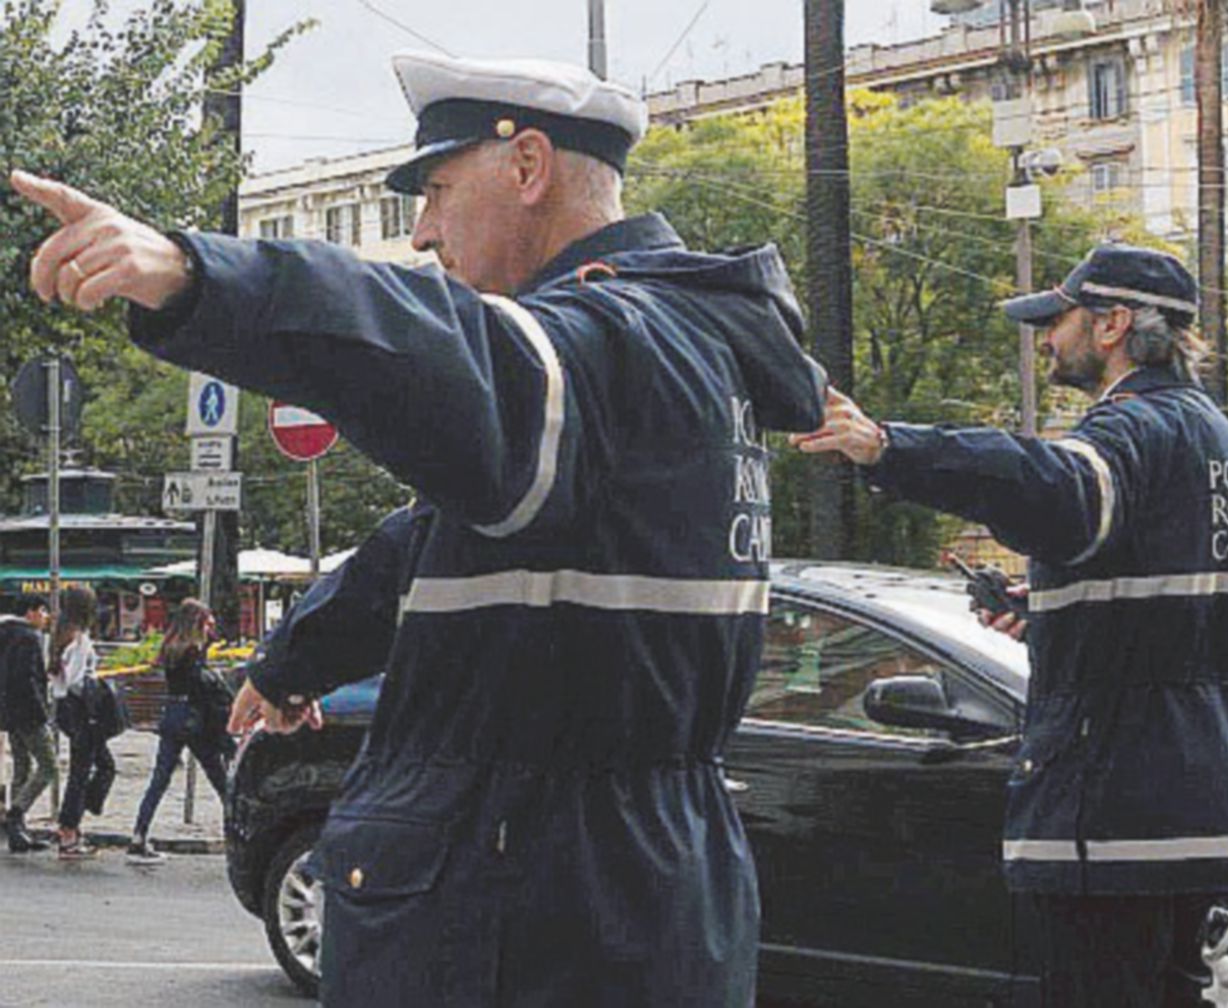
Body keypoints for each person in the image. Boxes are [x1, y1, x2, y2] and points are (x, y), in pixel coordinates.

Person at [13, 51, 824, 1006]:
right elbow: (432, 540)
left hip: (534, 890)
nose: (425, 232)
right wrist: (293, 663)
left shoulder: (620, 342)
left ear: (528, 167)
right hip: (608, 877)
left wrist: (197, 277)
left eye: (437, 191)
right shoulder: (674, 352)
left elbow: (441, 347)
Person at [792, 243, 1228, 1007]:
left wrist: (886, 445)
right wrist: (1048, 612)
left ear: (1113, 324)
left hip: (1112, 811)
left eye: (1058, 320)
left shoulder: (1130, 432)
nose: (1046, 338)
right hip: (1207, 801)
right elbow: (1178, 619)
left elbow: (1045, 480)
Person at [125, 598, 229, 865]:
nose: (211, 625)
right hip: (195, 719)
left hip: (173, 715)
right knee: (219, 778)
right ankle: (237, 832)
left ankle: (139, 834)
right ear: (197, 622)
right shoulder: (193, 651)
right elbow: (202, 688)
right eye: (206, 621)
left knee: (159, 779)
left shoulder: (171, 647)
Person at [49, 585, 116, 860]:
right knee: (89, 768)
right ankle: (70, 826)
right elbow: (76, 681)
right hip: (81, 709)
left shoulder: (60, 635)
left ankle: (73, 821)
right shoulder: (79, 640)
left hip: (66, 708)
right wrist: (95, 683)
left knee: (92, 766)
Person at [0, 593, 54, 853]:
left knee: (22, 767)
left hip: (8, 712)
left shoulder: (4, 633)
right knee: (49, 767)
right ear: (31, 612)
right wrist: (42, 712)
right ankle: (16, 814)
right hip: (29, 713)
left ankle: (18, 834)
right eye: (43, 611)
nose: (46, 618)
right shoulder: (28, 637)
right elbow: (28, 679)